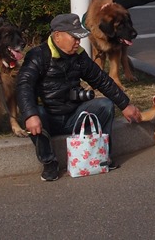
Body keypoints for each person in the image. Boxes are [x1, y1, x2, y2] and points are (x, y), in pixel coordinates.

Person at [16, 13, 143, 182]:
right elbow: (24, 85)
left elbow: (102, 80)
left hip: (75, 115)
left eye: (79, 37)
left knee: (104, 105)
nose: (78, 42)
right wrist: (30, 115)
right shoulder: (38, 55)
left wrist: (125, 105)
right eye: (74, 37)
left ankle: (102, 155)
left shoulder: (80, 56)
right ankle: (49, 163)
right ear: (57, 36)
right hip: (49, 118)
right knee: (36, 114)